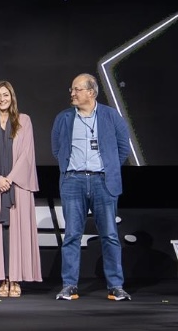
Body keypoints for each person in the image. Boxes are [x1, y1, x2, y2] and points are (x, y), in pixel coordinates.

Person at [50, 73, 133, 302]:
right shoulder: (64, 118)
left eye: (77, 89)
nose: (72, 93)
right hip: (73, 181)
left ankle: (115, 286)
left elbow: (123, 148)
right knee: (72, 235)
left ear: (91, 92)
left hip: (102, 182)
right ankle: (69, 285)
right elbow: (57, 149)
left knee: (110, 235)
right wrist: (70, 170)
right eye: (72, 89)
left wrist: (107, 167)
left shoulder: (110, 115)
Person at [0, 80, 41, 297]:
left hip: (17, 187)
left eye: (6, 95)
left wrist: (10, 179)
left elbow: (26, 153)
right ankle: (3, 279)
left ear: (12, 97)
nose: (2, 99)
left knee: (17, 234)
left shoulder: (24, 121)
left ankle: (16, 279)